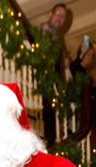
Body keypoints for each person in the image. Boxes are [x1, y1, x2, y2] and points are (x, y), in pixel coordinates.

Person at [40, 3, 70, 146]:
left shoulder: (59, 39)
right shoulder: (43, 30)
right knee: (48, 116)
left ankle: (50, 142)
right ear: (51, 14)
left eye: (62, 17)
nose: (59, 19)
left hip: (52, 85)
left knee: (51, 116)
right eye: (58, 14)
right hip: (44, 82)